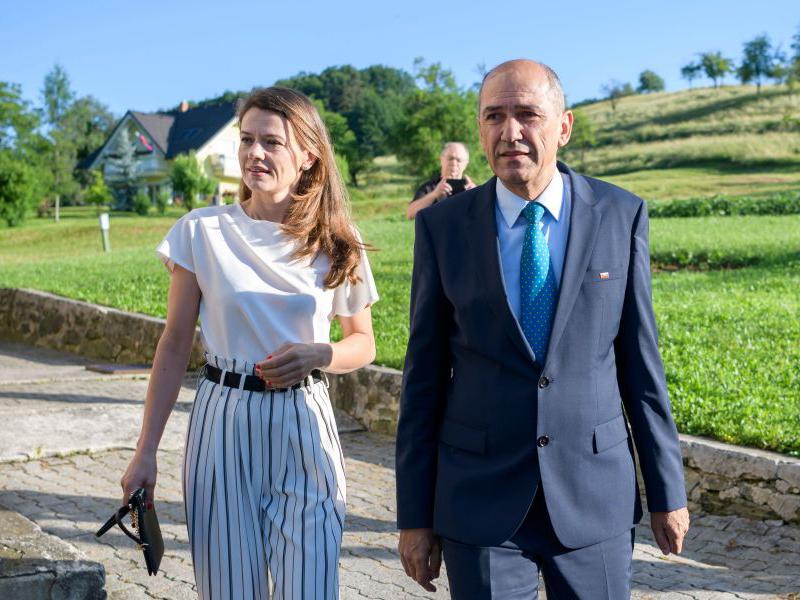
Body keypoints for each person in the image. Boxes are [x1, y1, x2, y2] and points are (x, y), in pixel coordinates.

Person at [395, 59, 690, 598]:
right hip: (479, 500)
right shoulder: (443, 228)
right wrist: (413, 516)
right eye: (494, 117)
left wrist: (668, 490)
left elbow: (641, 366)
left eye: (528, 114)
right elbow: (424, 380)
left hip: (592, 495)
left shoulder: (619, 214)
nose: (510, 133)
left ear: (564, 126)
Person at [120, 86, 379, 600]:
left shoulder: (336, 240)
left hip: (305, 423)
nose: (254, 154)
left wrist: (320, 353)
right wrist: (144, 452)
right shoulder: (202, 232)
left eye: (271, 142)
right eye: (246, 140)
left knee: (310, 589)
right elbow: (173, 345)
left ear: (307, 156)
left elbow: (363, 343)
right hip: (222, 421)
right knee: (230, 591)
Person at [406, 142, 476, 220]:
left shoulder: (472, 189)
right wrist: (435, 194)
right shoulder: (429, 187)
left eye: (459, 160)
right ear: (441, 159)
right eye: (450, 158)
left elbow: (487, 218)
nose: (453, 163)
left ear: (466, 163)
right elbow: (410, 214)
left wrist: (477, 196)